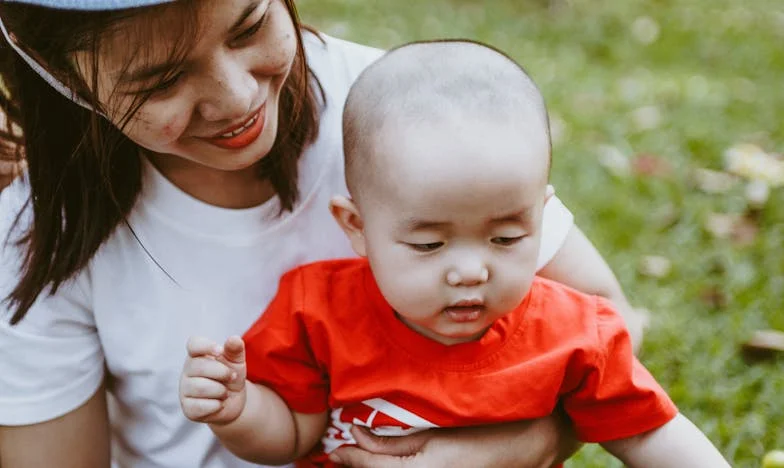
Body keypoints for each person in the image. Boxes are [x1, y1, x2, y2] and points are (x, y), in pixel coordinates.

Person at [0, 1, 644, 467]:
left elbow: (611, 324)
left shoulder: (406, 115)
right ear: (58, 73)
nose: (236, 98)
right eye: (161, 80)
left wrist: (512, 447)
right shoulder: (37, 226)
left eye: (250, 26)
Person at [179, 39, 730, 468]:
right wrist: (239, 411)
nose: (471, 270)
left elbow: (653, 435)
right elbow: (291, 434)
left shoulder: (574, 337)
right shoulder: (316, 312)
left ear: (543, 215)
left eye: (506, 238)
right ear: (357, 228)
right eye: (428, 244)